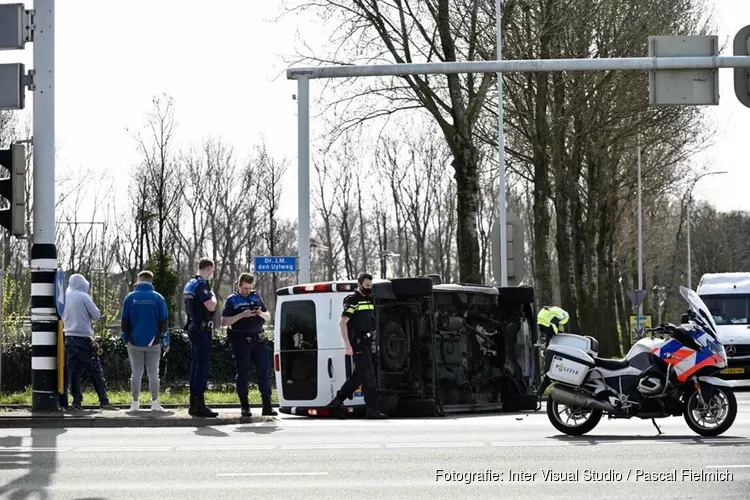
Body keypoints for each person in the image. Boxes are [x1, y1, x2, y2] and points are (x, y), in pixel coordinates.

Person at [327, 273, 387, 419]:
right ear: (359, 284)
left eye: (370, 286)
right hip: (358, 342)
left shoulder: (370, 299)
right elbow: (343, 323)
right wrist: (348, 345)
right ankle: (372, 410)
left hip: (368, 342)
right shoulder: (352, 300)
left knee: (359, 377)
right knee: (368, 376)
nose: (369, 288)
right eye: (366, 286)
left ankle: (335, 404)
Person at [221, 273, 276, 417]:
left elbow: (268, 316)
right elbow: (225, 321)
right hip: (241, 340)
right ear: (239, 286)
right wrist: (242, 315)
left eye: (250, 288)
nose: (247, 291)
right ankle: (245, 407)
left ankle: (267, 406)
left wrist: (260, 313)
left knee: (264, 372)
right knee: (243, 374)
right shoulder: (232, 300)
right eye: (245, 288)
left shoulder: (256, 297)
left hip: (258, 340)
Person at [61, 273, 116, 411]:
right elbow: (96, 315)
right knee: (95, 370)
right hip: (83, 339)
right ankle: (104, 401)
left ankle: (76, 402)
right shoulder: (83, 296)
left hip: (68, 337)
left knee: (74, 372)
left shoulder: (64, 297)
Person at [121, 270, 170, 412]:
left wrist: (127, 339)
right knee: (154, 373)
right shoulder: (159, 298)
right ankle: (155, 402)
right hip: (153, 342)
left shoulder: (130, 298)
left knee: (136, 373)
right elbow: (164, 322)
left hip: (134, 341)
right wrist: (164, 341)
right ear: (151, 281)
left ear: (139, 280)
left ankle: (135, 403)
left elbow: (125, 322)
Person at [183, 258, 218, 417]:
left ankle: (193, 403)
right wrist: (214, 296)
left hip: (193, 327)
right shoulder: (201, 285)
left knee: (195, 366)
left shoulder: (189, 284)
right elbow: (210, 306)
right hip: (202, 330)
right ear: (208, 268)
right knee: (202, 367)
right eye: (212, 270)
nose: (212, 273)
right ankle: (199, 405)